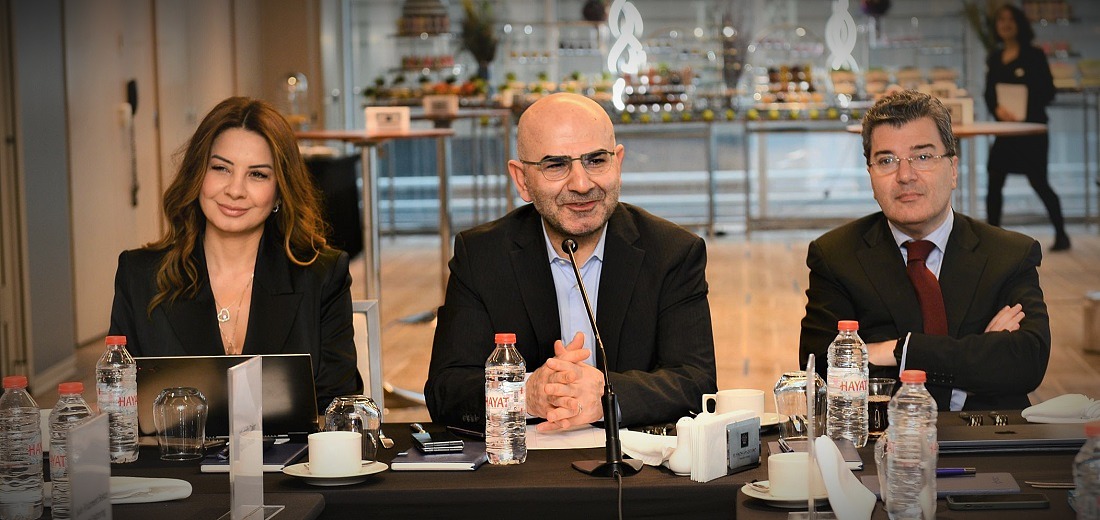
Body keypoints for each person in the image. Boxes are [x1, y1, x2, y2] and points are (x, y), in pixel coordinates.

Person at [425, 93, 717, 432]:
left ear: (617, 163)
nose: (581, 184)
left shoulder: (673, 253)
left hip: (635, 467)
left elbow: (697, 382)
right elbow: (445, 390)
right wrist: (526, 393)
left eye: (596, 161)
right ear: (522, 180)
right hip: (524, 470)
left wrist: (606, 396)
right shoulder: (481, 256)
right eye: (556, 165)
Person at [799, 90, 1051, 412]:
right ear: (871, 176)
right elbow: (823, 371)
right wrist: (977, 356)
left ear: (954, 169)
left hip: (986, 443)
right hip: (883, 444)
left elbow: (1026, 362)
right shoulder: (836, 257)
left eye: (922, 156)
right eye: (887, 160)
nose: (905, 176)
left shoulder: (1009, 254)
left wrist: (895, 351)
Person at [109, 96, 359, 411]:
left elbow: (339, 405)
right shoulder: (139, 275)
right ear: (197, 174)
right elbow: (119, 407)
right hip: (174, 459)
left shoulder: (322, 274)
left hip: (289, 460)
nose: (235, 190)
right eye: (221, 169)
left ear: (280, 189)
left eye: (257, 174)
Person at [983, 4, 1069, 251]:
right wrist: (999, 110)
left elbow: (1048, 91)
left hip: (1031, 130)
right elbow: (989, 93)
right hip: (1006, 131)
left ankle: (1061, 234)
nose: (1005, 24)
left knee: (1039, 181)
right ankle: (992, 238)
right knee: (994, 179)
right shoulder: (994, 57)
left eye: (1010, 19)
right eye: (1001, 20)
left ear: (1020, 24)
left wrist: (1022, 108)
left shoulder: (1034, 55)